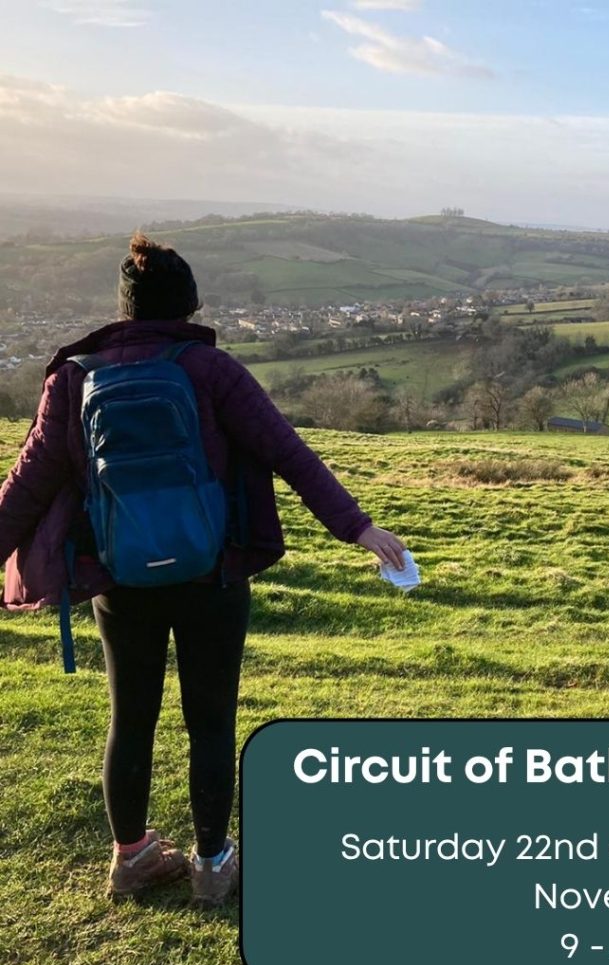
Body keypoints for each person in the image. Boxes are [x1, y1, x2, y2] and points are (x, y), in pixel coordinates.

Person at [0, 233, 407, 906]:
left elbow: (26, 487)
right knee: (210, 722)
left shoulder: (74, 378)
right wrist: (358, 529)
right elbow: (289, 452)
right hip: (211, 575)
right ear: (188, 306)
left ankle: (132, 861)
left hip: (120, 579)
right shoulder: (210, 369)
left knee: (129, 718)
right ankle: (213, 866)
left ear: (123, 307)